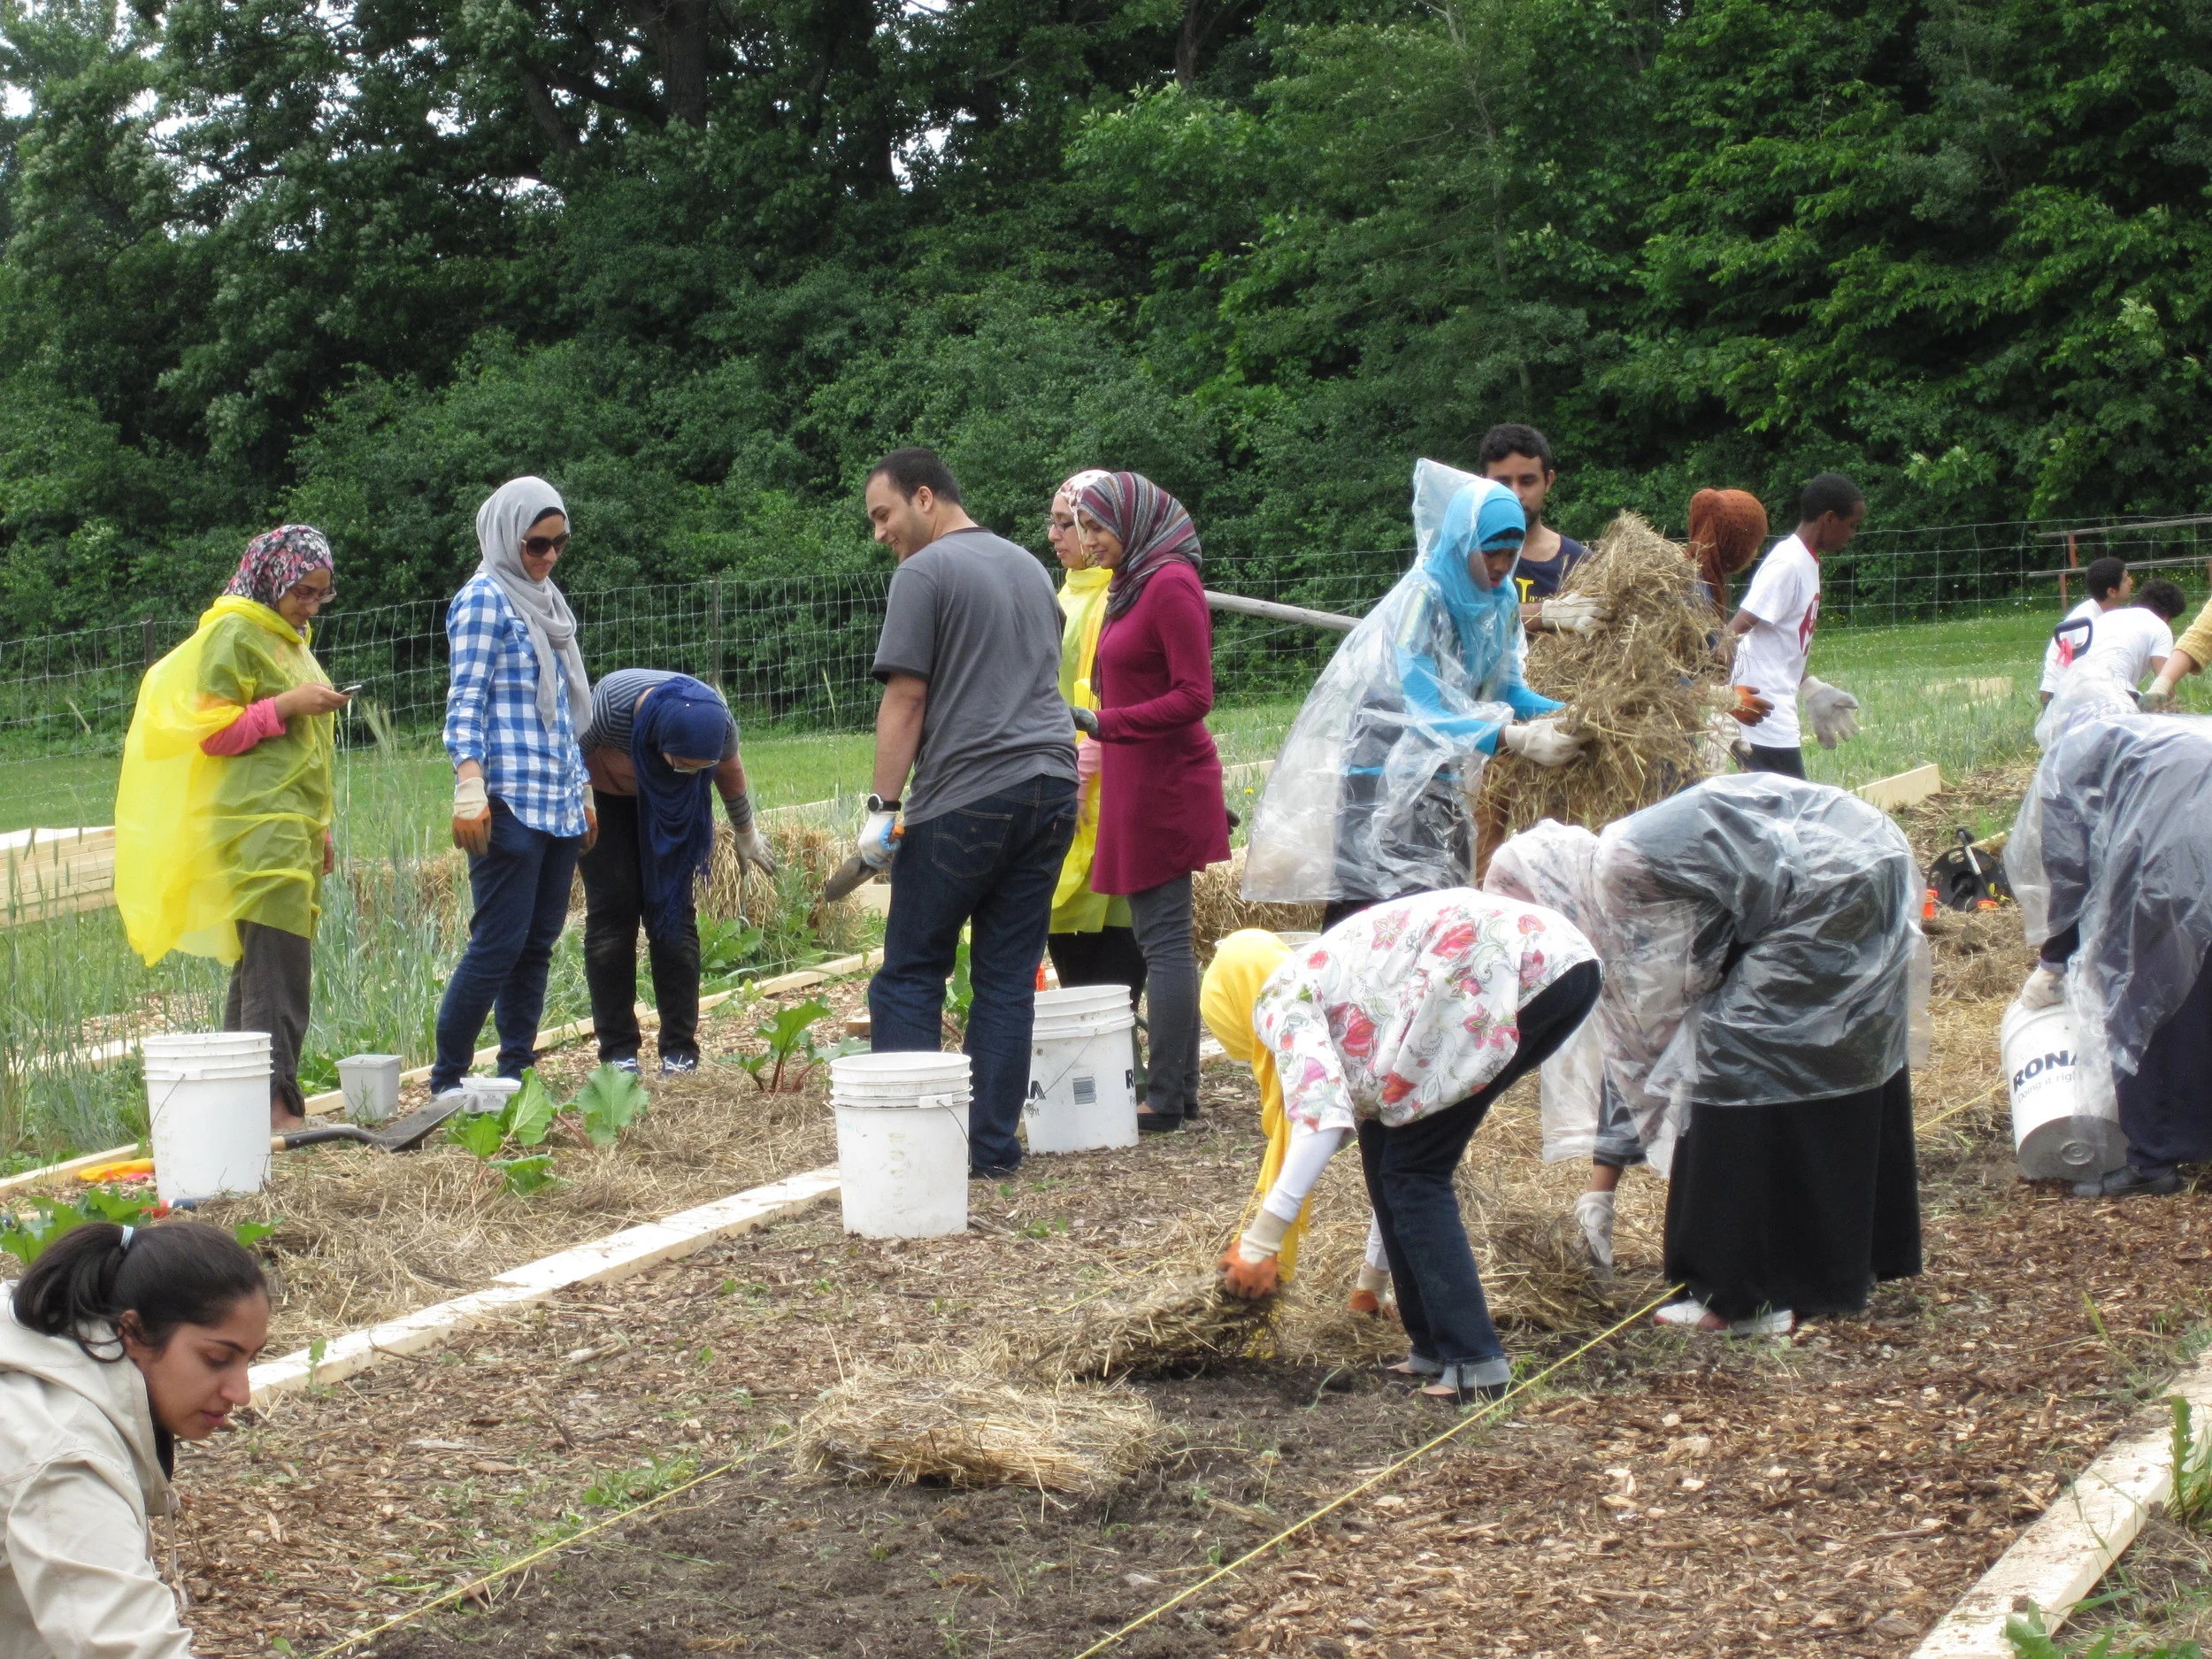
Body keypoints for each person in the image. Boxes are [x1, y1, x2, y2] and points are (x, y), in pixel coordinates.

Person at [1522, 774, 1924, 1333]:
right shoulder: (1623, 850)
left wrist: (1650, 1107)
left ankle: (1740, 1297)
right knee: (1833, 1055)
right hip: (1866, 856)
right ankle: (1842, 1263)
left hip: (1828, 886)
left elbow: (1663, 1015)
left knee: (1734, 1064)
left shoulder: (1621, 875)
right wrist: (1606, 1175)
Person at [1199, 894, 1602, 1401]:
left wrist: (1261, 1244)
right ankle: (1431, 1347)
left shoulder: (1283, 995)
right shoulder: (1335, 983)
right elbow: (1368, 1142)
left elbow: (1321, 1122)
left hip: (1513, 967)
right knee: (1392, 1152)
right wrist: (1373, 1279)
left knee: (1415, 1171)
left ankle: (1475, 1363)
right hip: (1556, 967)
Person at [1242, 460, 1587, 926]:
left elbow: (1509, 689)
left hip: (1442, 768)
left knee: (1439, 904)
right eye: (1491, 552)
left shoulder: (1501, 599)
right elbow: (1423, 710)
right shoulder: (1423, 599)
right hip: (1382, 766)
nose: (1503, 566)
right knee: (1368, 909)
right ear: (1465, 542)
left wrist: (1579, 714)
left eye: (1511, 552)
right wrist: (1514, 738)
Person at [858, 448, 1079, 1179]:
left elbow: (907, 698)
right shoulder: (1029, 566)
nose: (880, 533)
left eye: (884, 515)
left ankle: (914, 1150)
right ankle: (990, 1151)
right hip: (1052, 789)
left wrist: (882, 808)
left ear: (926, 498)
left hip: (970, 797)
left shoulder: (924, 573)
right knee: (1007, 979)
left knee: (912, 972)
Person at [115, 526, 351, 1130]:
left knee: (258, 966)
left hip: (291, 824)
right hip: (253, 823)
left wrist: (318, 829)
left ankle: (237, 1106)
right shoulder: (233, 633)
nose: (310, 605)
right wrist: (289, 705)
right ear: (272, 578)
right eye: (303, 591)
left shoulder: (290, 639)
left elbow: (304, 752)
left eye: (321, 594)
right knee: (279, 969)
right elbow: (212, 730)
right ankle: (276, 1109)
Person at [2, 1221, 269, 1658]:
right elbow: (129, 1648)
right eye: (217, 1359)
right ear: (133, 1332)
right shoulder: (60, 1456)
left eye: (250, 1361)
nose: (241, 1393)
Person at [1066, 472, 1232, 1133]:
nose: (1090, 542)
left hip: (1165, 779)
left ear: (1133, 523)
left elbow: (1196, 695)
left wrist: (1110, 723)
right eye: (1084, 529)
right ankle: (1179, 1088)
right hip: (1139, 777)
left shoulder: (1169, 584)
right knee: (1161, 936)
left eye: (1099, 529)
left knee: (1162, 939)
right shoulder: (1135, 582)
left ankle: (1165, 1094)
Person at [430, 476, 595, 1098]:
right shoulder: (483, 600)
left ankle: (515, 1068)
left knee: (538, 944)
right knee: (497, 943)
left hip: (553, 798)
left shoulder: (547, 603)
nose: (548, 557)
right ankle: (447, 1078)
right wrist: (468, 783)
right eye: (536, 544)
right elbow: (465, 700)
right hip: (508, 800)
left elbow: (560, 720)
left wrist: (581, 788)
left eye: (559, 543)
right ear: (506, 536)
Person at [2017, 710, 2212, 1198]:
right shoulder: (2167, 735)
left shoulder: (2068, 766)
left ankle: (2153, 1161)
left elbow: (2070, 870)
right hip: (2186, 847)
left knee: (2147, 1000)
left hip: (2173, 865)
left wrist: (2054, 960)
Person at [576, 670, 778, 1076]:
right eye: (683, 764)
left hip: (670, 804)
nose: (690, 770)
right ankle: (618, 1054)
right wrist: (580, 807)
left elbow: (729, 772)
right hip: (603, 800)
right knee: (612, 917)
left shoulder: (716, 723)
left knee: (672, 914)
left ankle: (679, 1051)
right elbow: (569, 751)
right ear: (660, 740)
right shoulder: (610, 707)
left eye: (697, 767)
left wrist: (747, 832)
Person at [1042, 471, 1148, 1012]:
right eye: (1057, 522)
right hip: (1068, 775)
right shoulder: (1065, 593)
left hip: (1105, 783)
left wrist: (1086, 760)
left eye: (1072, 523)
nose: (1057, 535)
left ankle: (1122, 1067)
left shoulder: (1117, 594)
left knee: (1114, 927)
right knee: (1068, 922)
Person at [1727, 472, 1866, 776]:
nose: (1852, 534)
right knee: (1785, 810)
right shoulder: (1787, 564)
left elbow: (1783, 641)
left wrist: (1810, 687)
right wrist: (1727, 698)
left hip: (1777, 707)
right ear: (1830, 519)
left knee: (1775, 810)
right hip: (1761, 710)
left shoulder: (1807, 561)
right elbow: (1734, 631)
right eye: (1852, 525)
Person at [1479, 424, 1603, 638]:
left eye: (1527, 481)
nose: (1515, 494)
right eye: (1503, 482)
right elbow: (1463, 621)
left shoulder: (1582, 564)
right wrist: (1544, 613)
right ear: (1482, 483)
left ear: (1548, 481)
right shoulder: (1464, 556)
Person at [2064, 580, 2185, 698]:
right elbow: (2164, 680)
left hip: (2075, 687)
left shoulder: (2108, 617)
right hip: (2115, 691)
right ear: (2168, 615)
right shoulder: (2160, 627)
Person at [2039, 557, 2132, 706]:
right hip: (2058, 698)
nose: (2131, 582)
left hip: (2073, 691)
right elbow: (2086, 668)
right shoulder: (2087, 620)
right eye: (2125, 579)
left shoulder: (2102, 613)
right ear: (2112, 591)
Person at [1685, 488, 1770, 613]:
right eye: (1754, 545)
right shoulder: (1698, 598)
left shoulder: (1693, 576)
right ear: (1735, 545)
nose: (1756, 554)